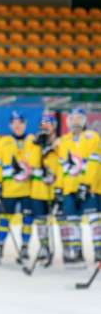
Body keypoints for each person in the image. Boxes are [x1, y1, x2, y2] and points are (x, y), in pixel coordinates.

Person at [55, 107, 100, 266]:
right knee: (72, 221)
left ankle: (98, 252)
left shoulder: (92, 137)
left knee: (95, 220)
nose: (75, 122)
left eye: (78, 119)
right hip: (69, 188)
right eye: (72, 119)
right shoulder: (64, 141)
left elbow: (95, 164)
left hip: (90, 188)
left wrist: (87, 184)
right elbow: (61, 167)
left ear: (84, 120)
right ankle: (77, 252)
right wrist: (58, 188)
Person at [0, 111, 34, 263]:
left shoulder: (32, 140)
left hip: (28, 189)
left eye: (20, 122)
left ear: (25, 124)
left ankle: (25, 247)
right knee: (4, 219)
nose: (17, 125)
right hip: (8, 189)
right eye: (14, 122)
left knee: (27, 219)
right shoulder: (3, 142)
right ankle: (0, 246)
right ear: (10, 125)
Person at [27, 112, 60, 267]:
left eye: (49, 124)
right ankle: (44, 248)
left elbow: (61, 164)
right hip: (38, 189)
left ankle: (70, 250)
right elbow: (31, 164)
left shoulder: (60, 142)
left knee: (61, 221)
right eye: (43, 124)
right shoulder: (35, 143)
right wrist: (37, 147)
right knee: (41, 221)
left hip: (54, 188)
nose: (46, 127)